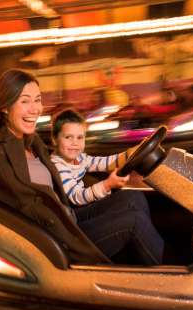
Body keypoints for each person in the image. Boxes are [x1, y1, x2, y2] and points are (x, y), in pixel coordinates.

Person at [0, 69, 163, 265]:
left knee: (134, 199)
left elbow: (83, 167)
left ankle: (146, 256)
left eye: (38, 99)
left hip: (68, 217)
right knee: (134, 221)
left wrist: (128, 156)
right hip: (56, 238)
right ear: (4, 106)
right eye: (25, 101)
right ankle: (174, 284)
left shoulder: (30, 139)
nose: (35, 109)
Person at [50, 108, 164, 264]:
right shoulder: (57, 165)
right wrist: (107, 185)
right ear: (55, 140)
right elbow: (77, 196)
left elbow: (104, 162)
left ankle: (144, 247)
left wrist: (131, 153)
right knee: (135, 220)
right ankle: (162, 265)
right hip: (73, 226)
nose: (74, 143)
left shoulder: (80, 158)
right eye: (68, 137)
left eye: (79, 137)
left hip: (79, 213)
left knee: (133, 195)